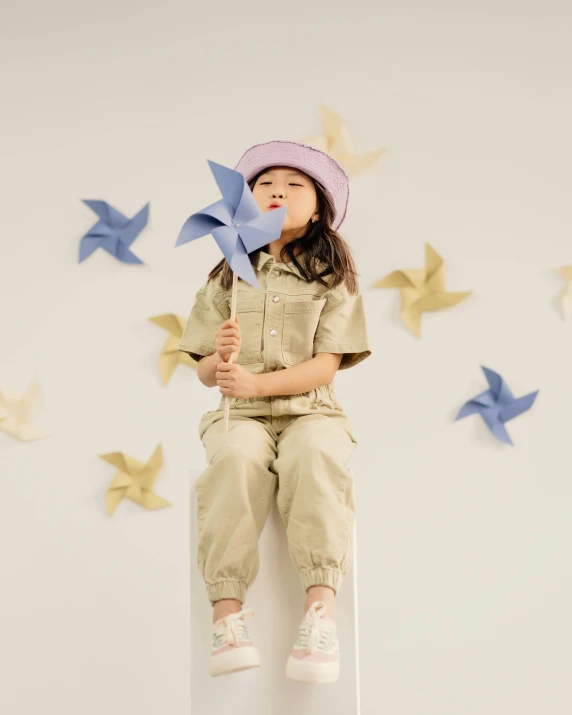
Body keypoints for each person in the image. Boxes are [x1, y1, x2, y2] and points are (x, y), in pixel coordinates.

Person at [179, 139, 372, 683]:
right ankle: (227, 614)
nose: (278, 192)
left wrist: (257, 382)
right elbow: (201, 369)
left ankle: (320, 613)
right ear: (245, 203)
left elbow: (325, 367)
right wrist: (219, 360)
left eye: (294, 185)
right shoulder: (225, 279)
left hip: (311, 411)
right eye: (264, 184)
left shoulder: (333, 280)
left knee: (313, 457)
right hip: (240, 415)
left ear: (318, 210)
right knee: (234, 460)